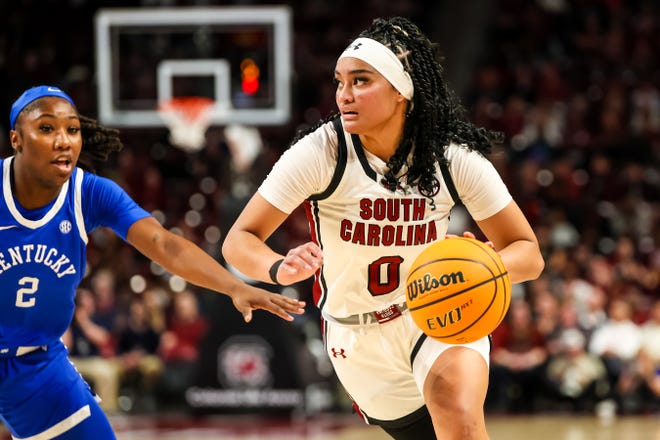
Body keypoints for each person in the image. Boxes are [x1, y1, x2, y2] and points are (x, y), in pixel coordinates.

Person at [223, 16, 544, 440]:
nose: (344, 95)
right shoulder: (322, 151)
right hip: (357, 337)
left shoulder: (452, 157)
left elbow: (528, 252)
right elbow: (238, 241)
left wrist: (487, 266)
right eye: (340, 82)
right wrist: (279, 266)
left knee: (459, 418)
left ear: (400, 90)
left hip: (438, 312)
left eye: (361, 81)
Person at [0, 85, 305, 440]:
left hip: (36, 363)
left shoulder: (89, 193)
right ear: (16, 139)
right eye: (47, 128)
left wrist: (235, 287)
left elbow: (165, 246)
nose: (64, 140)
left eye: (72, 129)